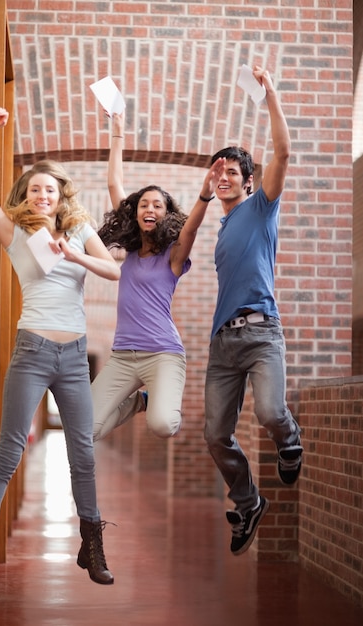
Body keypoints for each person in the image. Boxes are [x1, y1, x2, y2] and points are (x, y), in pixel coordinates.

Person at [0, 107, 121, 597]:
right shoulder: (15, 236)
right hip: (32, 350)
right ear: (27, 197)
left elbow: (115, 272)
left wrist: (74, 252)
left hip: (74, 356)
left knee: (84, 454)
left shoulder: (77, 231)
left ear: (60, 197)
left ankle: (91, 544)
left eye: (50, 189)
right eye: (35, 188)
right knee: (11, 447)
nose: (42, 194)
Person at [204, 67, 303, 557]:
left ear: (247, 181)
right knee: (215, 434)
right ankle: (248, 502)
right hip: (223, 344)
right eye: (217, 172)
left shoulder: (262, 206)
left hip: (263, 334)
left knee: (268, 411)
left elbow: (281, 153)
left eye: (231, 172)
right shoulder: (221, 228)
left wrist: (271, 98)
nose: (223, 177)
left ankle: (290, 438)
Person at [92, 111, 225, 441]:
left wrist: (205, 194)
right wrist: (118, 131)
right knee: (86, 429)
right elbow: (113, 184)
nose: (149, 210)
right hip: (123, 356)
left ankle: (150, 402)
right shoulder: (132, 253)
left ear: (167, 215)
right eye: (143, 205)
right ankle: (138, 401)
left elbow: (191, 229)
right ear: (135, 213)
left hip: (163, 352)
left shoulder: (173, 257)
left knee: (163, 424)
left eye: (157, 206)